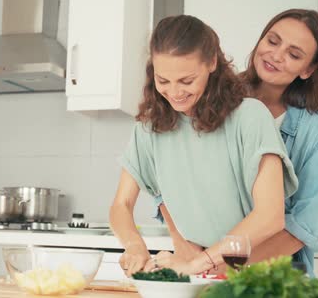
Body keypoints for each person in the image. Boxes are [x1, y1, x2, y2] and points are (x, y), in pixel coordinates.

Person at [159, 9, 318, 277]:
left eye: (294, 54)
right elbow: (166, 183)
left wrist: (227, 267)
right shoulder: (213, 97)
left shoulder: (317, 126)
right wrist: (187, 251)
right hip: (202, 267)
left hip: (274, 274)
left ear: (308, 69)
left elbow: (305, 223)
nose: (276, 55)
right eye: (273, 41)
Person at [109, 15, 298, 277]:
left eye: (187, 81)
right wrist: (134, 246)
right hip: (196, 272)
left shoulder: (250, 117)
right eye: (163, 81)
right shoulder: (149, 129)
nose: (175, 92)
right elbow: (121, 204)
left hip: (254, 272)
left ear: (211, 63)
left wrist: (201, 263)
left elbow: (271, 215)